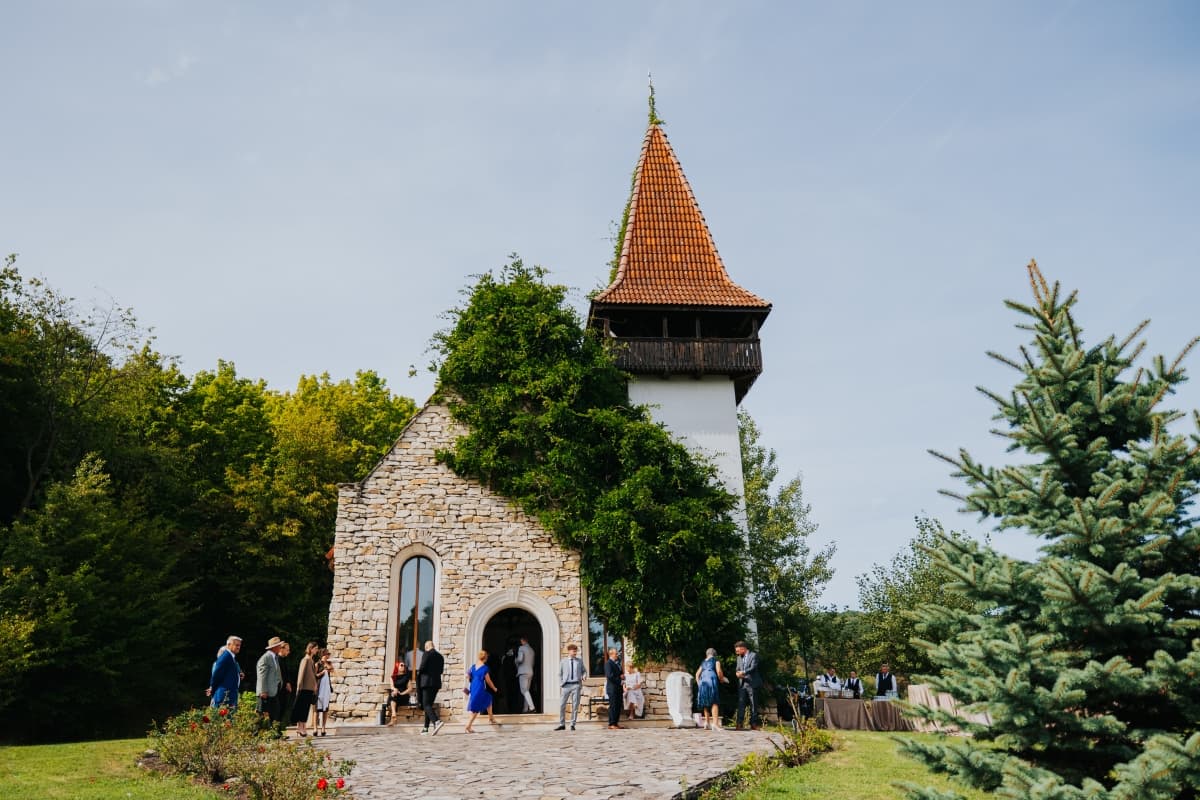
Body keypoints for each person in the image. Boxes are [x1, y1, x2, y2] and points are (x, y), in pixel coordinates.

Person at [463, 649, 499, 733]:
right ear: (485, 658)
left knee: (488, 698)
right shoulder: (485, 668)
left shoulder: (473, 667)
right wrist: (494, 688)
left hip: (473, 686)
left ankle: (491, 718)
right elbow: (488, 681)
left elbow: (468, 676)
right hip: (479, 687)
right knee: (476, 708)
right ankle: (468, 726)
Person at [695, 647, 729, 731]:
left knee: (705, 702)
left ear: (707, 654)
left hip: (703, 682)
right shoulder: (715, 660)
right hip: (711, 681)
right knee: (714, 702)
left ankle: (707, 723)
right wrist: (722, 679)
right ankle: (715, 724)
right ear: (714, 654)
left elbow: (697, 674)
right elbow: (719, 671)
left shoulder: (703, 662)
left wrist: (699, 684)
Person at [256, 636, 287, 723]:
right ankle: (256, 732)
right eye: (279, 645)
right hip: (266, 693)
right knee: (261, 716)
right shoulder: (266, 658)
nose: (280, 647)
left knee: (275, 713)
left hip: (273, 691)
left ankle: (274, 731)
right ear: (274, 647)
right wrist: (263, 691)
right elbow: (262, 675)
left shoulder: (274, 657)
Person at [291, 641, 319, 737]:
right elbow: (301, 674)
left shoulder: (311, 660)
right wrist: (299, 688)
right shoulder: (305, 660)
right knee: (301, 708)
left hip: (309, 689)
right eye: (316, 648)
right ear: (311, 649)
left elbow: (312, 675)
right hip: (304, 688)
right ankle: (300, 727)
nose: (317, 650)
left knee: (305, 709)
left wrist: (315, 685)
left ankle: (303, 727)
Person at [733, 641, 763, 731]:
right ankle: (739, 724)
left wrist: (743, 672)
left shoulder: (754, 655)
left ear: (743, 648)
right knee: (741, 704)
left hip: (752, 683)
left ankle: (753, 724)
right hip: (742, 683)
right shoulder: (738, 658)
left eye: (738, 651)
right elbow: (737, 668)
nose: (737, 653)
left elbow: (753, 667)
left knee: (753, 704)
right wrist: (737, 673)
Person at [555, 643, 585, 731]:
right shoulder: (563, 661)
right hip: (566, 685)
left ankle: (572, 724)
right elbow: (560, 674)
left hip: (576, 685)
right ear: (569, 651)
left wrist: (584, 676)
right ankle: (562, 724)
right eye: (573, 651)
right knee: (562, 705)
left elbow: (584, 671)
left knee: (575, 705)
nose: (575, 653)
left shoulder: (579, 661)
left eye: (576, 651)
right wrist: (561, 683)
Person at [207, 635, 243, 709]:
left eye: (239, 645)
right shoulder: (225, 657)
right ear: (229, 645)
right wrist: (213, 689)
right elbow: (216, 675)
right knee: (222, 716)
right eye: (236, 645)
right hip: (224, 695)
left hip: (230, 695)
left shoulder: (230, 657)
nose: (238, 647)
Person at [417, 640, 445, 735]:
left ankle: (437, 721)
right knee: (428, 705)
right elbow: (441, 671)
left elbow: (422, 667)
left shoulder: (427, 654)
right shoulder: (440, 656)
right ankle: (425, 728)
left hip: (427, 683)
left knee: (426, 704)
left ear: (426, 647)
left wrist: (419, 673)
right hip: (436, 683)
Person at [387, 659, 414, 725]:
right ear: (397, 666)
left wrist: (402, 693)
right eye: (401, 665)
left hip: (404, 695)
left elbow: (410, 688)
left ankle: (393, 717)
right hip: (396, 694)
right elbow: (392, 687)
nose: (403, 666)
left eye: (404, 666)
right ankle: (394, 715)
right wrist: (395, 689)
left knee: (392, 696)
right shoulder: (393, 677)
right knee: (393, 694)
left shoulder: (406, 677)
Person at [314, 648, 333, 736]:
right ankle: (315, 728)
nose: (328, 656)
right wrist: (322, 673)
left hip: (326, 689)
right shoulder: (317, 664)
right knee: (316, 709)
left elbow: (332, 670)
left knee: (325, 709)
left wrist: (326, 663)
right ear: (322, 655)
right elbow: (315, 675)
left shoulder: (329, 663)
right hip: (319, 688)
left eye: (329, 654)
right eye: (327, 654)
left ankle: (323, 728)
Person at [515, 635, 536, 712]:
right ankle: (525, 709)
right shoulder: (532, 650)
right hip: (530, 671)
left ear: (523, 641)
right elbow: (533, 663)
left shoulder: (521, 648)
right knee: (527, 691)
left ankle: (532, 707)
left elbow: (520, 659)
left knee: (524, 690)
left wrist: (515, 660)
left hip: (523, 672)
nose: (521, 642)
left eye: (521, 641)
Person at [604, 647, 624, 730]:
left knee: (618, 705)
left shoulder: (617, 663)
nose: (617, 655)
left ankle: (616, 723)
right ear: (611, 654)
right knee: (613, 706)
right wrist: (619, 681)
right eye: (616, 654)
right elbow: (610, 676)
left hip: (618, 688)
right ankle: (611, 723)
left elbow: (619, 673)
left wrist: (622, 676)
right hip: (612, 688)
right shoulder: (608, 663)